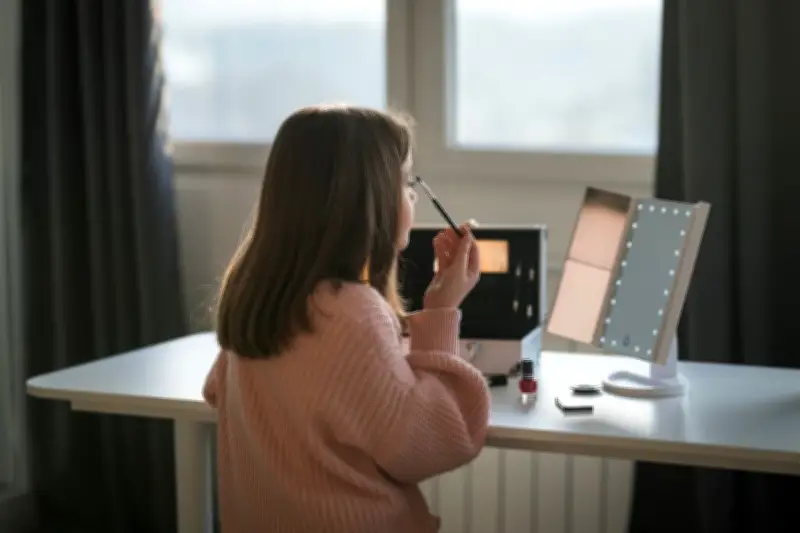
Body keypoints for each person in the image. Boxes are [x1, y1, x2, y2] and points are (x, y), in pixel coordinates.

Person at [202, 104, 491, 533]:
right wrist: (441, 310)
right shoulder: (352, 313)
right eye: (405, 182)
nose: (412, 196)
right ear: (367, 200)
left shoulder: (257, 296)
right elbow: (436, 443)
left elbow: (217, 390)